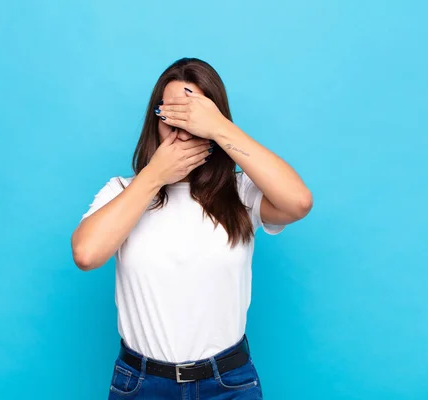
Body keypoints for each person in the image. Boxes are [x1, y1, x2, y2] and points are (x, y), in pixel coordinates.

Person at [71, 57, 313, 399]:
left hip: (228, 382)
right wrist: (155, 175)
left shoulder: (241, 193)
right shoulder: (123, 193)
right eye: (171, 116)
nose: (182, 131)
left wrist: (219, 127)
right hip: (141, 384)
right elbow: (86, 254)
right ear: (155, 122)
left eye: (193, 117)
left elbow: (298, 202)